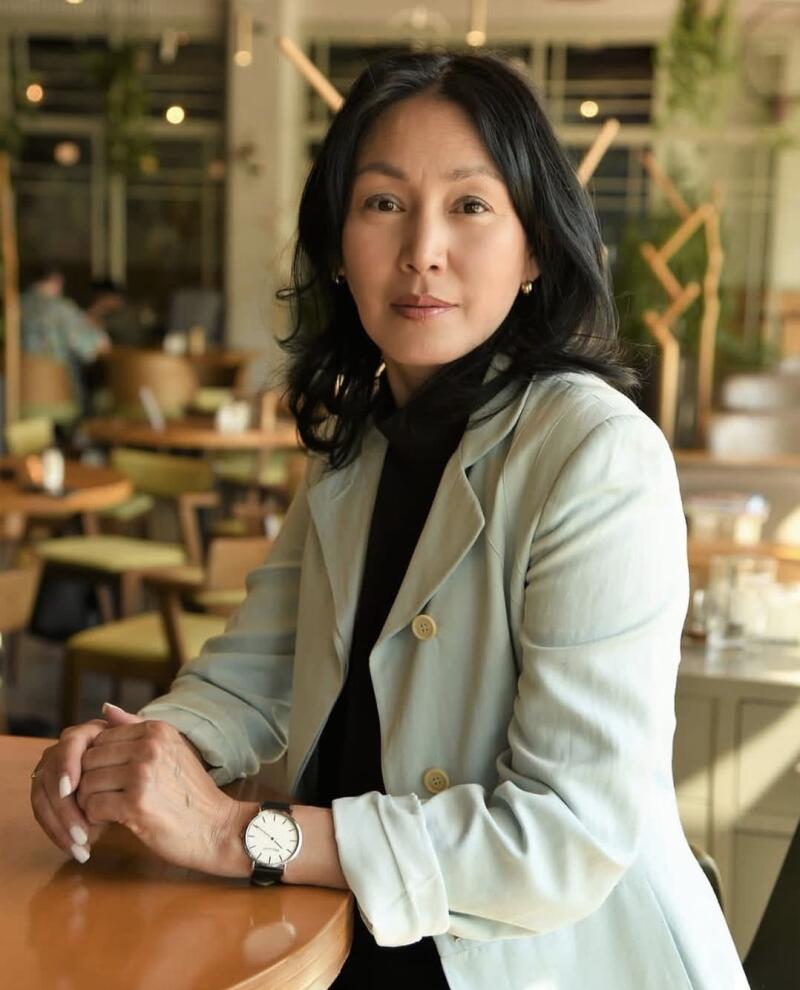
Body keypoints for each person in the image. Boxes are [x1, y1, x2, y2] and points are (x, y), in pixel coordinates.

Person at [30, 52, 750, 989]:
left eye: (471, 205)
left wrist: (232, 830)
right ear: (337, 246)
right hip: (342, 935)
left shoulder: (597, 455)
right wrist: (132, 754)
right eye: (382, 203)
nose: (422, 250)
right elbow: (254, 672)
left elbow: (562, 838)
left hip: (532, 964)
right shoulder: (360, 442)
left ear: (535, 249)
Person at [20, 263, 111, 411]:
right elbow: (96, 348)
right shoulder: (63, 309)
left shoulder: (14, 306)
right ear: (58, 280)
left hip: (17, 396)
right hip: (59, 396)